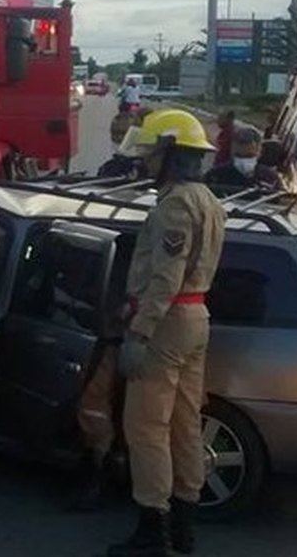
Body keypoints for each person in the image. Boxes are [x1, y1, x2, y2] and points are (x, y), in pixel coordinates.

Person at [107, 110, 226, 557]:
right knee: (184, 426)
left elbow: (166, 277)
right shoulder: (210, 200)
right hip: (195, 319)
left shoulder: (176, 203)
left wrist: (139, 331)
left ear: (172, 154)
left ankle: (151, 529)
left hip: (168, 323)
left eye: (155, 153)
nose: (148, 162)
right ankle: (183, 527)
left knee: (146, 428)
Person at [204, 126, 279, 193]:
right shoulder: (216, 176)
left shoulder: (270, 178)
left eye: (249, 156)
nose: (244, 161)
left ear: (260, 152)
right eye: (239, 156)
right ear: (232, 151)